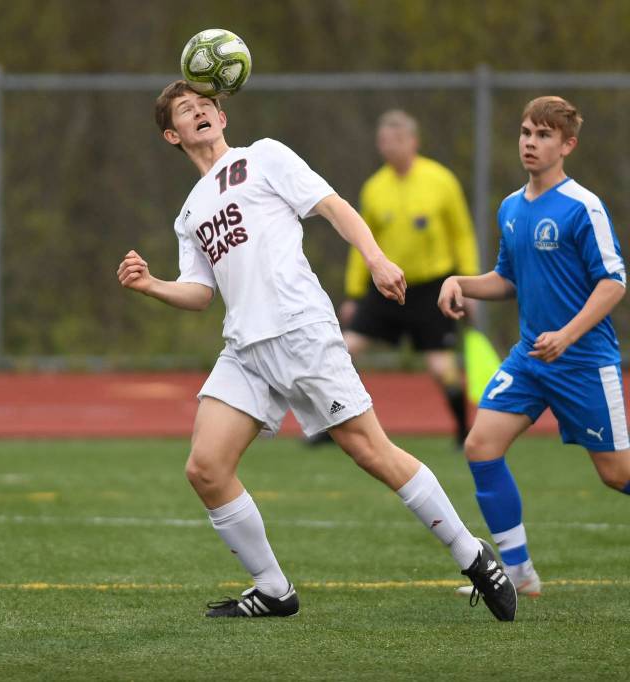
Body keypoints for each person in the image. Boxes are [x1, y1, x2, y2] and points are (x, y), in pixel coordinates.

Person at [117, 80, 516, 621]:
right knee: (206, 468)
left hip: (300, 329)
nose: (201, 112)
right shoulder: (189, 213)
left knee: (370, 451)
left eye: (206, 104)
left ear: (222, 117)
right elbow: (201, 293)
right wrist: (152, 286)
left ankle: (474, 557)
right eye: (187, 111)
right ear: (173, 134)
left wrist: (375, 258)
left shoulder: (265, 156)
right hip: (244, 347)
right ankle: (274, 589)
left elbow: (332, 205)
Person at [439, 96, 630, 598]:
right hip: (530, 358)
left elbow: (613, 283)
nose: (531, 142)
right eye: (526, 132)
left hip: (583, 361)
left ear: (568, 145)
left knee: (616, 475)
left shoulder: (582, 206)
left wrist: (567, 334)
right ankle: (520, 575)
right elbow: (507, 279)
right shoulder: (510, 207)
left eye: (544, 135)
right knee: (480, 446)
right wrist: (459, 280)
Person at [337, 110, 479, 447]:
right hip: (387, 287)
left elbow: (462, 234)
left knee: (440, 366)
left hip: (432, 288)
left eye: (397, 140)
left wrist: (469, 284)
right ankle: (334, 424)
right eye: (384, 141)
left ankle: (463, 431)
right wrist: (354, 294)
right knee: (342, 350)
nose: (389, 147)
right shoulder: (374, 188)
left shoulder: (441, 180)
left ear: (413, 142)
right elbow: (362, 245)